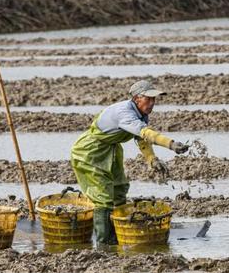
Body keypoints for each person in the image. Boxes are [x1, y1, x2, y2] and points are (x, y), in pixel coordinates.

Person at [70, 80, 189, 245]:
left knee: (119, 189)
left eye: (154, 99)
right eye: (149, 99)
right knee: (102, 197)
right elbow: (146, 133)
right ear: (137, 98)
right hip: (90, 151)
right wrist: (171, 144)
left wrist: (151, 159)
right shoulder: (124, 113)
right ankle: (105, 242)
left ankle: (118, 229)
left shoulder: (141, 114)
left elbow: (141, 139)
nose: (152, 103)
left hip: (111, 149)